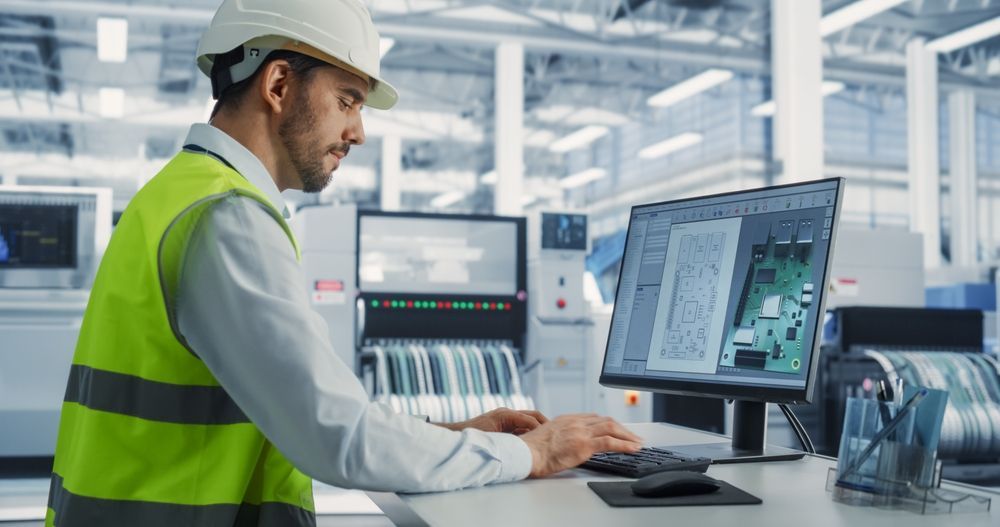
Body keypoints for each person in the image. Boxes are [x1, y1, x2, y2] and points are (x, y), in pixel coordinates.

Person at [45, 1, 641, 525]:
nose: (357, 132)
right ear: (278, 85)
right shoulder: (227, 218)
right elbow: (339, 436)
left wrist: (450, 437)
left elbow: (309, 410)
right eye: (347, 100)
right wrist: (532, 453)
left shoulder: (180, 195)